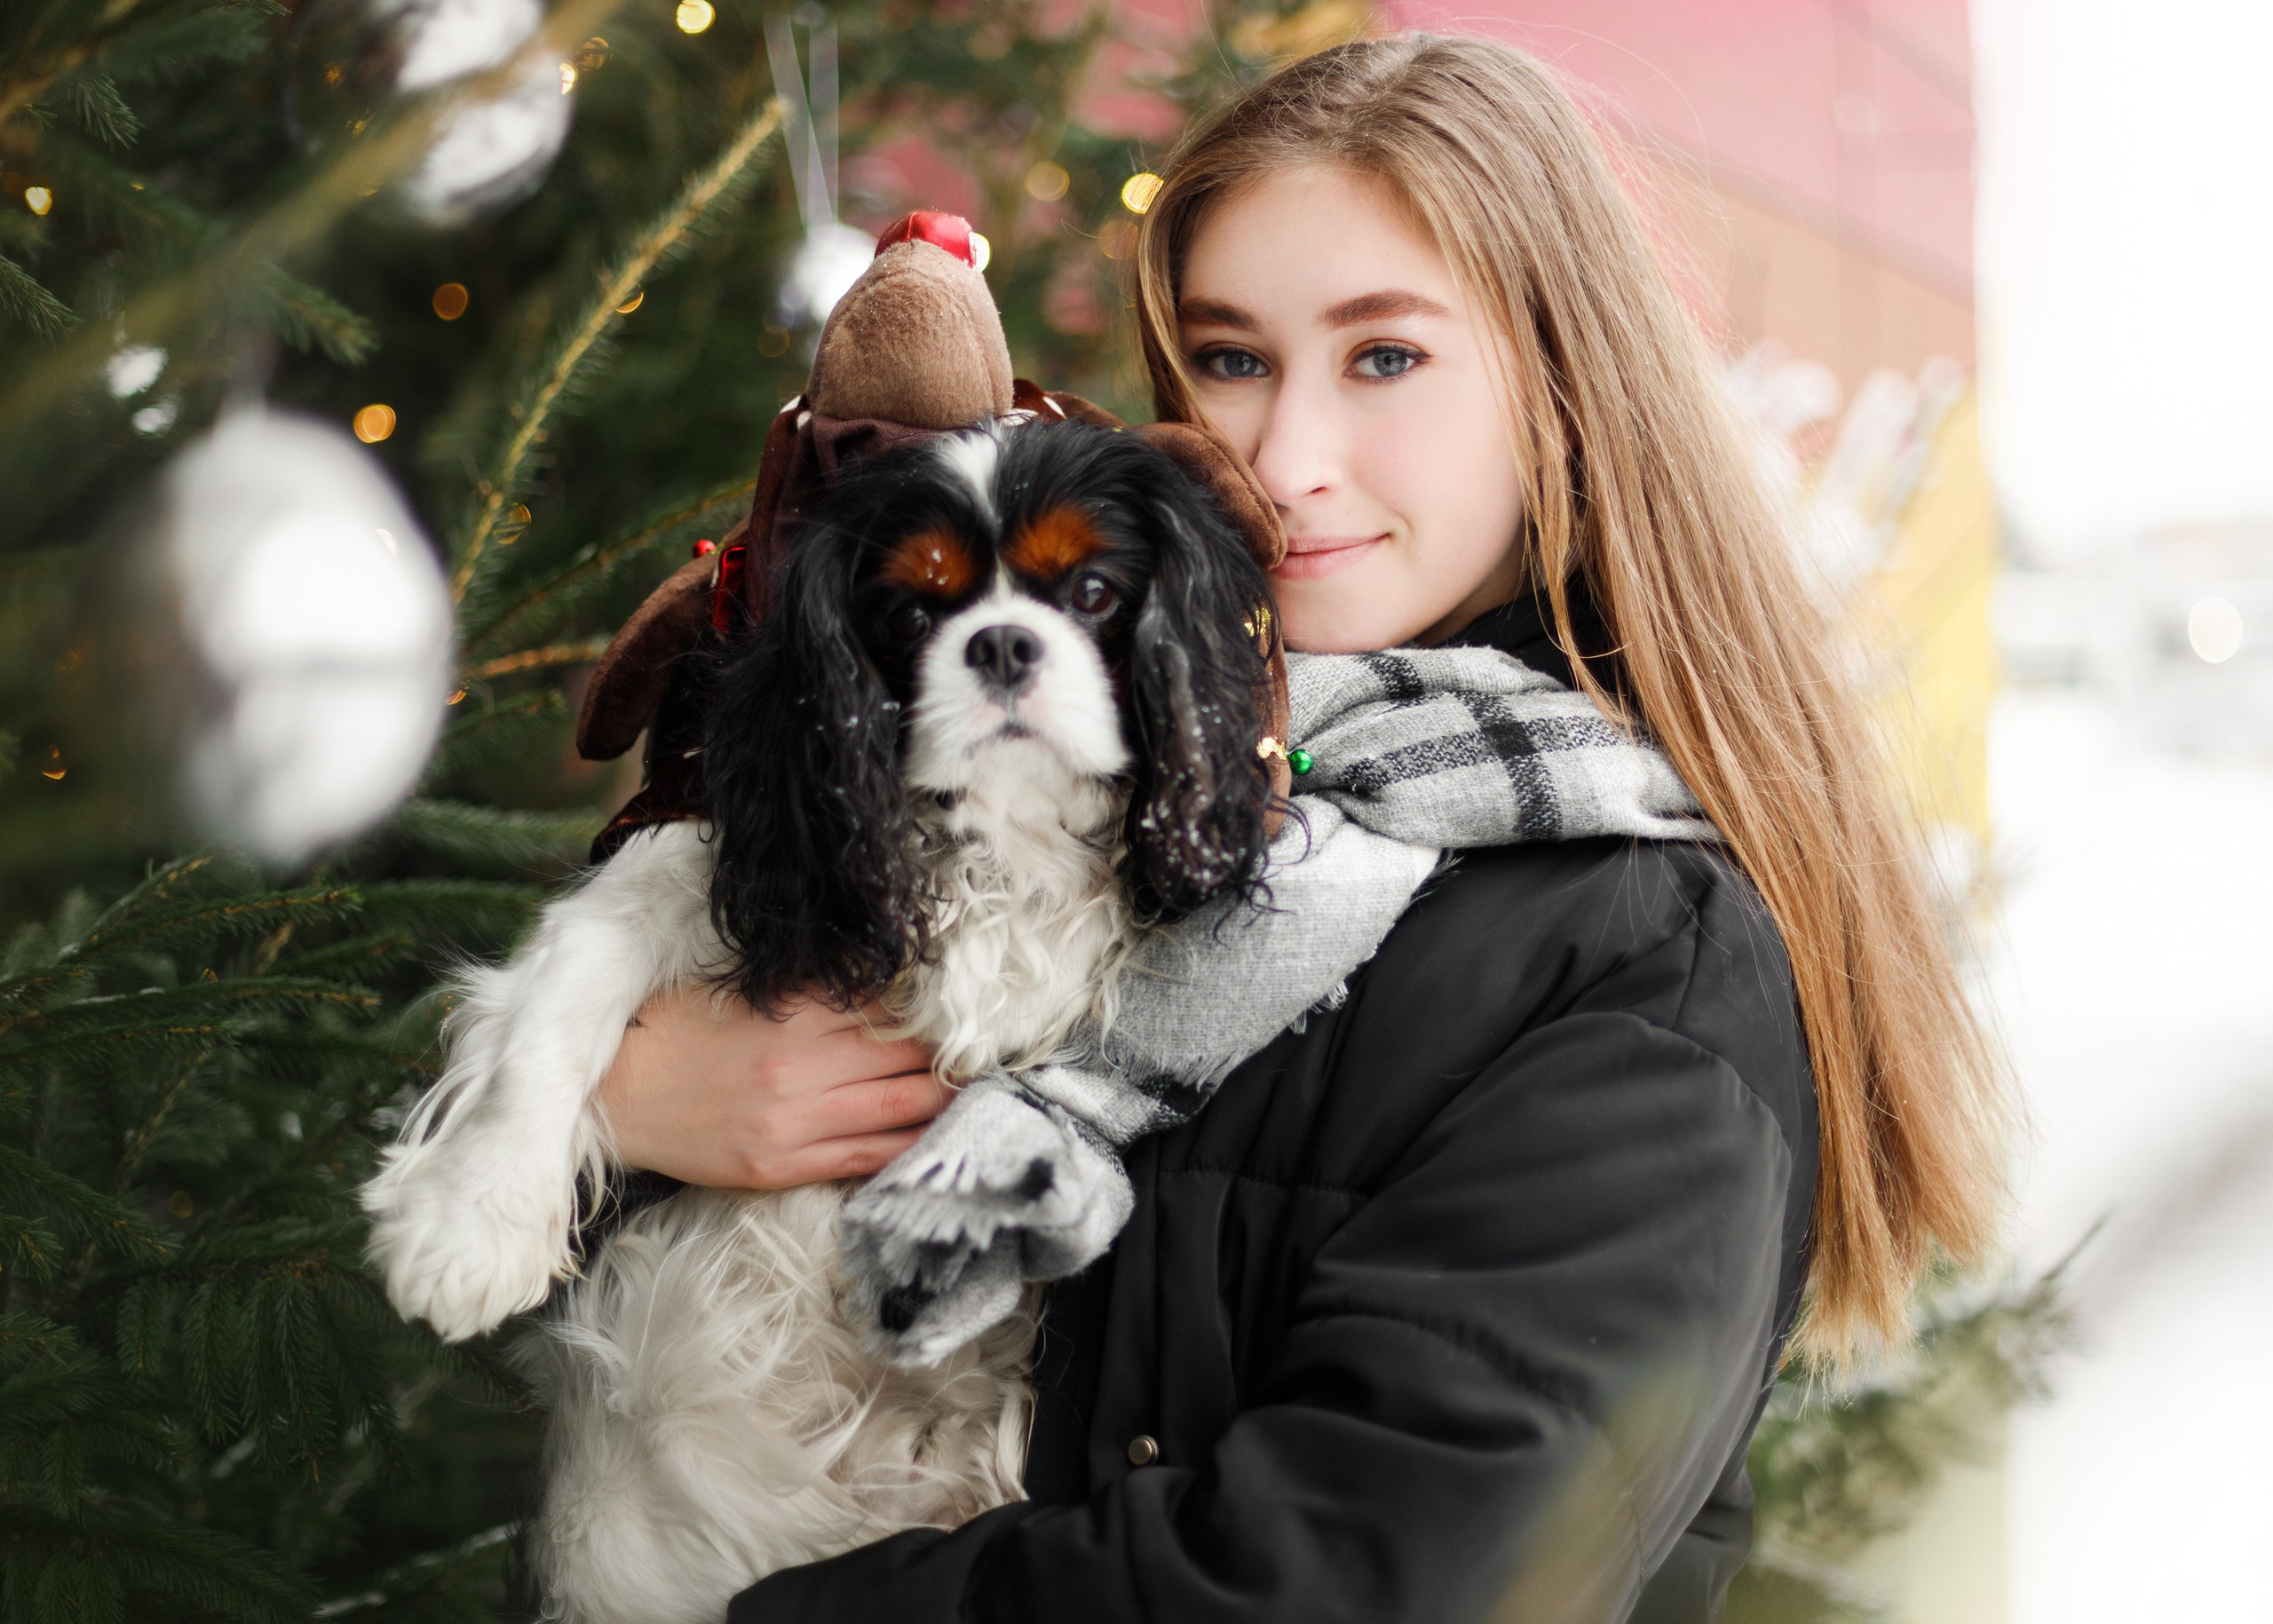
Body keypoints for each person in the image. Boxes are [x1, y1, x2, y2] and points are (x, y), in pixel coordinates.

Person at [593, 34, 2006, 1624]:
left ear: (1561, 383)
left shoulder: (1626, 943)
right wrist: (628, 1105)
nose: (1283, 462)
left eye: (1385, 356)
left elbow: (1362, 1580)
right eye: (1232, 357)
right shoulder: (1113, 787)